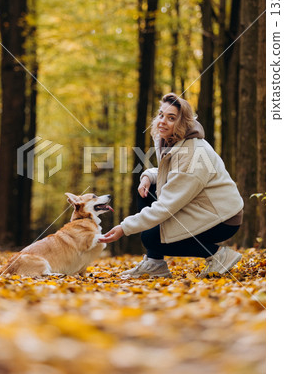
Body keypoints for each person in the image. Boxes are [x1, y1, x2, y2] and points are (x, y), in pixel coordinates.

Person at [102, 93, 244, 278]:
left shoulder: (193, 152)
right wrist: (148, 176)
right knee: (146, 191)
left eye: (171, 118)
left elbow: (168, 204)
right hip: (200, 207)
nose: (162, 121)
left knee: (151, 237)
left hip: (222, 218)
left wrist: (124, 227)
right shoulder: (171, 141)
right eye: (161, 115)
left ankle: (218, 255)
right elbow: (172, 175)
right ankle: (155, 263)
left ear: (183, 123)